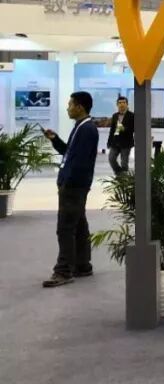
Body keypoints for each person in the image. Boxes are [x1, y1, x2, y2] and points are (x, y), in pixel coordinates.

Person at [41, 92, 99, 287]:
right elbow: (70, 153)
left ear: (80, 107)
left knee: (65, 227)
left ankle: (64, 270)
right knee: (79, 224)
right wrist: (55, 140)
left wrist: (67, 182)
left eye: (70, 105)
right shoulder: (81, 127)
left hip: (74, 185)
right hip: (75, 184)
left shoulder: (87, 129)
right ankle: (82, 265)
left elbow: (80, 162)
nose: (68, 108)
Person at [106, 96, 135, 175]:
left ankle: (124, 179)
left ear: (127, 104)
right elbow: (112, 130)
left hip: (126, 142)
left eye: (124, 102)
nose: (122, 104)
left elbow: (133, 129)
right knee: (111, 159)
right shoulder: (115, 115)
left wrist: (123, 129)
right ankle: (119, 174)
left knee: (124, 162)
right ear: (117, 105)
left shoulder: (132, 115)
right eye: (120, 103)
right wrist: (109, 142)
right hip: (115, 142)